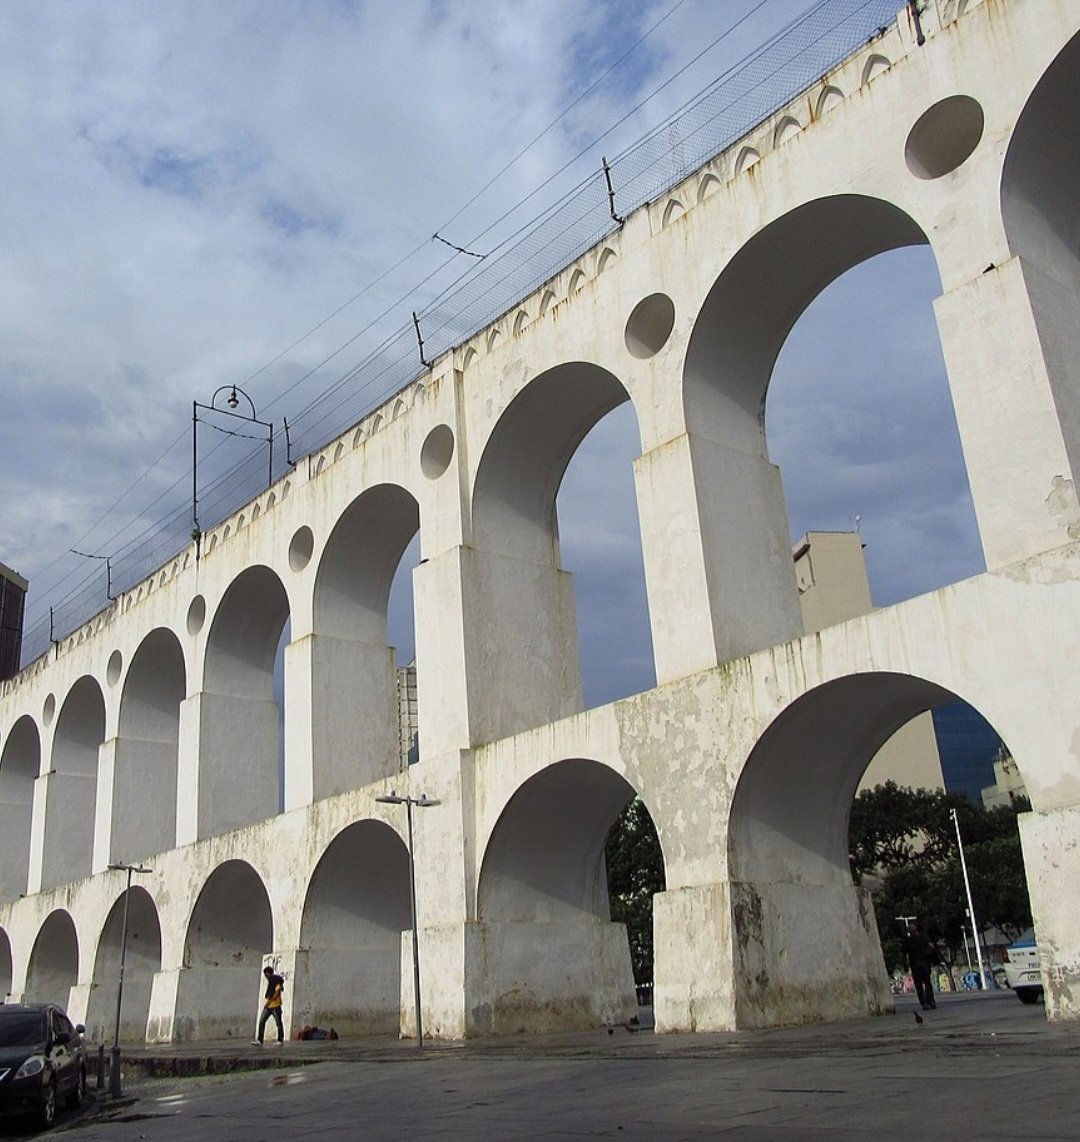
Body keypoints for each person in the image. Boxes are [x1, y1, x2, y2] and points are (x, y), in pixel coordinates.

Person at [902, 923, 940, 1011]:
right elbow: (932, 947)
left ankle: (924, 1003)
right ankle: (932, 1001)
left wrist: (905, 965)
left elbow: (904, 954)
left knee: (919, 985)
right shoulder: (923, 938)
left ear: (909, 932)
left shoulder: (908, 941)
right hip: (925, 963)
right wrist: (931, 956)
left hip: (915, 965)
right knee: (927, 983)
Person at [254, 964, 285, 1045]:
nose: (265, 976)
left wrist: (269, 1001)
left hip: (275, 1005)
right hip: (269, 1006)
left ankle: (280, 1040)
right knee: (261, 1021)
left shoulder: (276, 980)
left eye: (266, 974)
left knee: (278, 1023)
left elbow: (277, 992)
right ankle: (260, 1040)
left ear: (269, 973)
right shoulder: (271, 982)